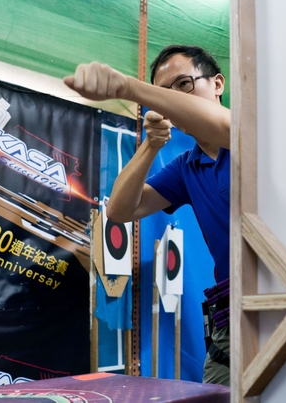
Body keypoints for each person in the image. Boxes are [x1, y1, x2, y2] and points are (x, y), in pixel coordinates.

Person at [64, 45, 231, 385]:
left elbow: (225, 127)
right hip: (231, 315)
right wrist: (151, 143)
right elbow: (120, 210)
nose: (172, 100)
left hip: (281, 295)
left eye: (183, 84)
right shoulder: (186, 167)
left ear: (217, 84)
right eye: (163, 93)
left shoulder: (248, 130)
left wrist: (128, 87)